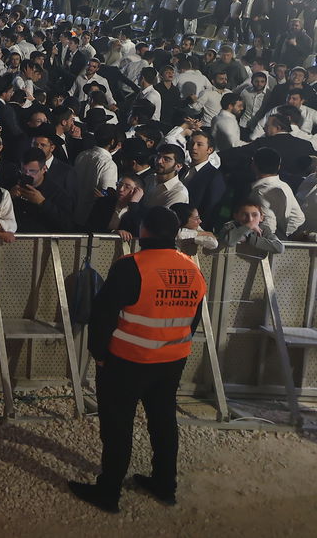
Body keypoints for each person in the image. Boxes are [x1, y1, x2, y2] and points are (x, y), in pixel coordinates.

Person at [71, 206, 206, 512]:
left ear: (144, 231)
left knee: (118, 426)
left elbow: (102, 316)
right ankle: (164, 485)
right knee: (163, 422)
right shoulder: (192, 268)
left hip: (128, 361)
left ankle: (108, 492)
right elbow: (192, 319)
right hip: (172, 360)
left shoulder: (131, 266)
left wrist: (100, 355)